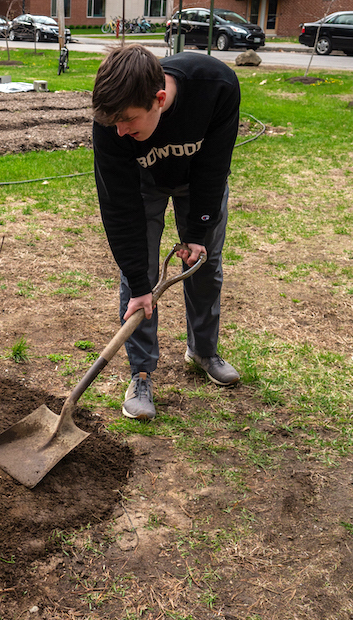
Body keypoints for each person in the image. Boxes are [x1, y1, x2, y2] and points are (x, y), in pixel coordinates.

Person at [91, 44, 241, 421]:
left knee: (205, 266)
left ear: (159, 99)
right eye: (114, 124)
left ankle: (203, 351)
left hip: (199, 183)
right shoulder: (112, 120)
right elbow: (118, 205)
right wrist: (141, 283)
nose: (121, 131)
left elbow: (214, 165)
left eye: (129, 121)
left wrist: (198, 232)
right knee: (136, 276)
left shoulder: (216, 86)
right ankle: (140, 373)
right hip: (144, 186)